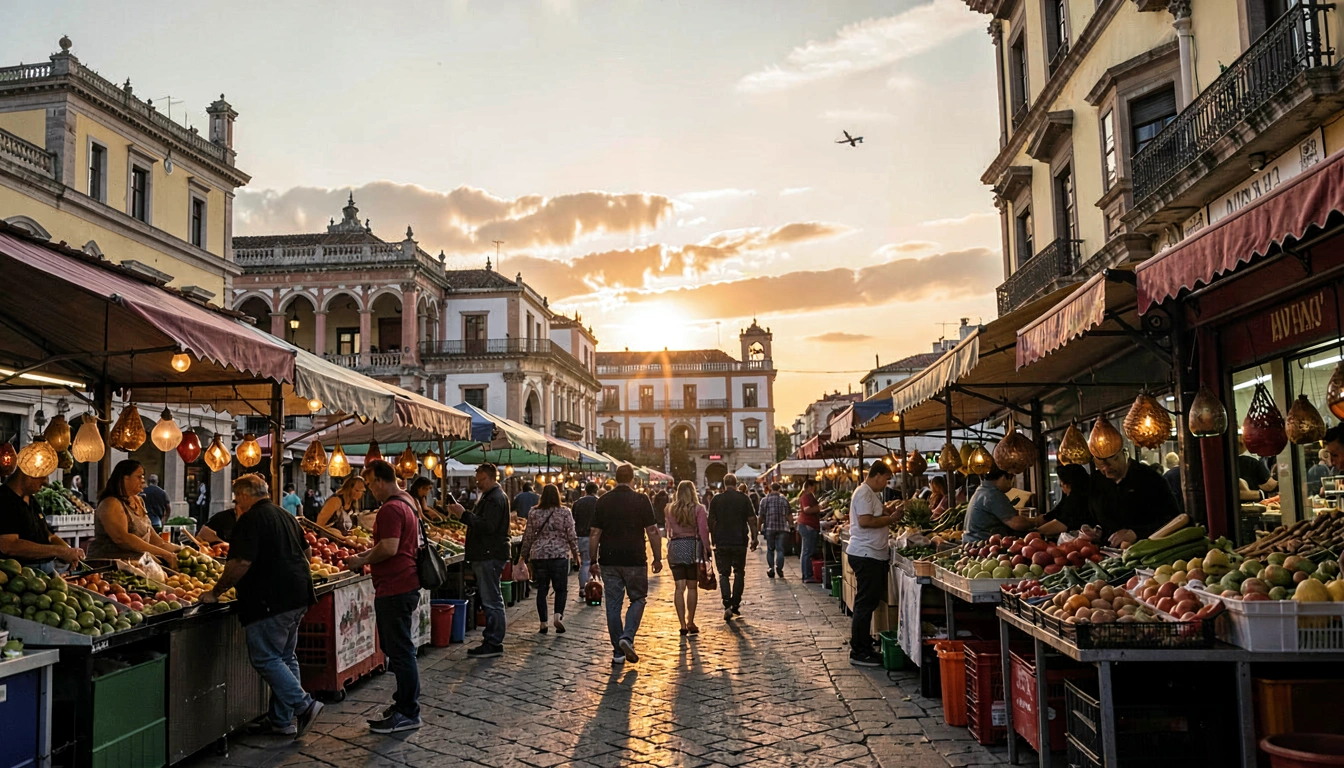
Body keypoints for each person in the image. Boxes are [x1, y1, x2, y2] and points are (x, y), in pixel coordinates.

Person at [200, 474, 322, 738]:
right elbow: (308, 553)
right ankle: (281, 721)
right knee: (286, 657)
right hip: (299, 594)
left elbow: (240, 563)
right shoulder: (286, 515)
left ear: (244, 495)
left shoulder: (250, 520)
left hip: (271, 600)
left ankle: (304, 705)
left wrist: (215, 591)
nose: (235, 504)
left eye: (236, 498)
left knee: (266, 658)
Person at [344, 460, 423, 734]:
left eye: (369, 484)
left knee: (400, 651)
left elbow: (389, 548)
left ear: (379, 480)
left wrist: (362, 560)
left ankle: (408, 712)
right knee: (400, 649)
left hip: (395, 585)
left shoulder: (390, 508)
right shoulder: (408, 501)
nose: (369, 490)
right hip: (405, 583)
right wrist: (365, 557)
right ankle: (404, 703)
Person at [589, 464, 662, 665]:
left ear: (616, 478)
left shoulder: (603, 501)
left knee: (613, 604)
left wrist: (592, 559)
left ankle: (617, 652)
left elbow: (595, 532)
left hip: (609, 559)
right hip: (635, 559)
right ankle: (627, 637)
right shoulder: (641, 500)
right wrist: (657, 557)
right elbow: (653, 530)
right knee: (638, 599)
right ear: (632, 479)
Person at [846, 461, 903, 666]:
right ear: (877, 475)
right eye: (886, 479)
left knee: (867, 603)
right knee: (864, 603)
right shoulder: (864, 493)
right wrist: (892, 519)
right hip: (866, 554)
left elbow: (872, 515)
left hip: (872, 554)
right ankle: (859, 651)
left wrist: (888, 510)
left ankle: (864, 645)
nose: (886, 484)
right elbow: (865, 521)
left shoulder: (871, 494)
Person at [459, 463, 511, 658]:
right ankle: (492, 639)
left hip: (489, 554)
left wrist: (463, 515)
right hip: (490, 553)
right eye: (477, 480)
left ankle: (494, 641)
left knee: (491, 599)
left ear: (491, 478)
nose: (478, 484)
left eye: (481, 480)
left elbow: (487, 526)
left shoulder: (494, 499)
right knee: (492, 597)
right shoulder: (494, 497)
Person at [88, 460, 181, 562]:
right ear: (125, 478)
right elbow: (122, 538)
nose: (143, 480)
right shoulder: (111, 503)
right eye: (139, 476)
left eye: (143, 476)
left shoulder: (138, 501)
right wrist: (163, 554)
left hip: (136, 565)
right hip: (108, 567)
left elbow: (156, 541)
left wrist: (179, 549)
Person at [518, 484, 580, 635]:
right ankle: (558, 616)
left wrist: (522, 556)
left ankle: (543, 622)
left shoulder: (534, 512)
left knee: (542, 589)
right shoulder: (565, 512)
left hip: (539, 556)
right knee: (561, 589)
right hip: (559, 555)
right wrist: (576, 555)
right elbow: (571, 535)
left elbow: (528, 536)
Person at [1090, 449, 1182, 546]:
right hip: (1105, 553)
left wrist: (1136, 533)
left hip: (1147, 550)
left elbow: (1174, 519)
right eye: (1100, 464)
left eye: (1113, 460)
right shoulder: (1097, 480)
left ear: (1124, 454)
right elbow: (1094, 516)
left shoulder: (1150, 478)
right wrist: (1095, 529)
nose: (1106, 468)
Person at [0, 468, 84, 573]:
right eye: (42, 477)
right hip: (21, 576)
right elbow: (9, 545)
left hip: (44, 572)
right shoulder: (4, 499)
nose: (45, 482)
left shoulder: (32, 500)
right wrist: (59, 551)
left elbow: (49, 535)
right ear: (27, 474)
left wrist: (69, 551)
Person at [708, 474, 759, 620]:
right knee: (739, 572)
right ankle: (736, 603)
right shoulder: (743, 498)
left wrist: (713, 538)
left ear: (724, 484)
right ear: (736, 483)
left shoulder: (716, 499)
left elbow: (711, 521)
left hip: (722, 541)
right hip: (739, 541)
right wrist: (755, 538)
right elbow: (752, 519)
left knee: (723, 574)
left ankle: (727, 604)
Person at [664, 480, 711, 636]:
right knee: (692, 587)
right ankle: (690, 621)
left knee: (679, 588)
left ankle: (682, 624)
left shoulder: (669, 509)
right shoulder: (699, 509)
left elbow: (668, 531)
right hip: (693, 547)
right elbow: (703, 531)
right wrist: (707, 548)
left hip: (676, 547)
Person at [964, 466, 1040, 543]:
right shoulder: (993, 494)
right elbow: (1017, 524)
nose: (1012, 483)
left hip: (972, 541)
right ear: (1004, 477)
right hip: (981, 545)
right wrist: (1037, 522)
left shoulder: (982, 490)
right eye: (1012, 478)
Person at [1036, 464, 1095, 536]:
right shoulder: (1069, 497)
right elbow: (1052, 515)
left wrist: (1035, 532)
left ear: (1068, 484)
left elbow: (1061, 523)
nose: (1060, 485)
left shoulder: (1077, 500)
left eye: (1061, 482)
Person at [571, 482, 599, 599]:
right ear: (596, 491)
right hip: (596, 536)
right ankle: (594, 587)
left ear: (586, 490)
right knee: (594, 562)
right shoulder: (599, 502)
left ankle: (583, 588)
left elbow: (572, 520)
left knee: (585, 563)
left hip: (580, 536)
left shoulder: (577, 503)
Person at [759, 483, 792, 579]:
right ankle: (779, 568)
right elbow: (789, 514)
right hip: (782, 528)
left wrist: (758, 528)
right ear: (779, 489)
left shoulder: (765, 500)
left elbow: (760, 516)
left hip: (769, 528)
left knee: (770, 549)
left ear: (770, 489)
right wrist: (791, 525)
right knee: (780, 549)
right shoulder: (784, 500)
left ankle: (771, 568)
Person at [796, 478, 822, 582]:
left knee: (806, 551)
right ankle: (807, 575)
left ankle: (807, 574)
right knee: (807, 551)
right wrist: (818, 508)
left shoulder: (806, 496)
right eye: (814, 486)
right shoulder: (806, 496)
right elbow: (807, 509)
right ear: (809, 487)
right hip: (807, 526)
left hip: (807, 525)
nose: (815, 488)